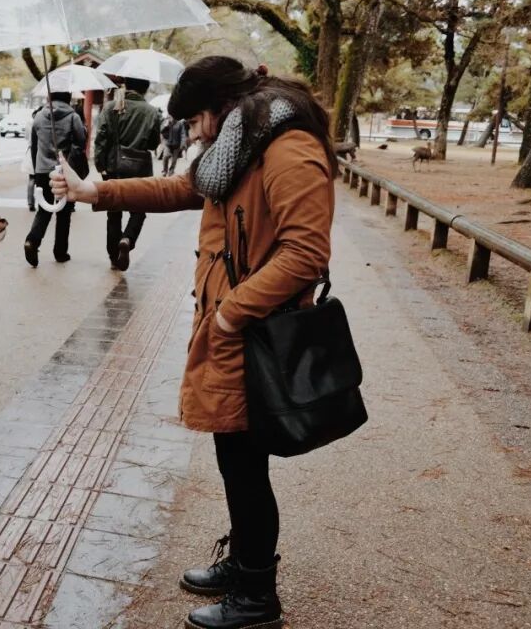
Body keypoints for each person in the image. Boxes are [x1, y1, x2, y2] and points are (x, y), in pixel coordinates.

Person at [52, 56, 336, 629]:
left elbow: (307, 253)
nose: (196, 132)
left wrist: (232, 313)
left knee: (246, 463)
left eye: (198, 120)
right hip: (232, 328)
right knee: (235, 458)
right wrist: (94, 192)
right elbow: (182, 187)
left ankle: (257, 595)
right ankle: (244, 562)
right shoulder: (242, 144)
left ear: (221, 109)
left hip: (256, 331)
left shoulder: (288, 148)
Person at [93, 77, 162, 270]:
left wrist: (101, 165)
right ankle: (128, 239)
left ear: (126, 85)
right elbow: (153, 143)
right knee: (139, 209)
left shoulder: (112, 107)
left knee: (113, 212)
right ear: (146, 89)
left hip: (114, 166)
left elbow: (101, 139)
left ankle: (114, 255)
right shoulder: (151, 111)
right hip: (140, 168)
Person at [23, 92, 87, 266]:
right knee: (64, 213)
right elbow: (81, 142)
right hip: (64, 170)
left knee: (44, 210)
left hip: (42, 170)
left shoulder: (39, 117)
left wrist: (37, 171)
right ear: (68, 99)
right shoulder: (73, 117)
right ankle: (60, 252)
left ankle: (32, 241)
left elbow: (34, 146)